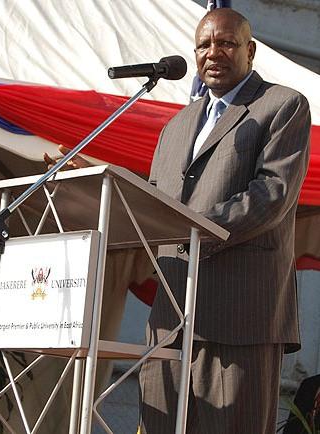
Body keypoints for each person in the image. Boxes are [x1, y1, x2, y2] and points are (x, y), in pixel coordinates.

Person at [138, 8, 311, 434]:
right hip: (172, 318)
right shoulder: (175, 126)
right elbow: (151, 203)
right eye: (203, 45)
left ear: (250, 51)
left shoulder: (283, 106)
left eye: (226, 43)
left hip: (241, 314)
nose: (213, 52)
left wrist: (192, 231)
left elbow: (271, 194)